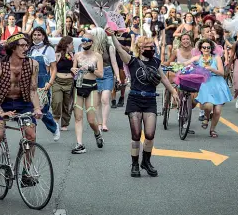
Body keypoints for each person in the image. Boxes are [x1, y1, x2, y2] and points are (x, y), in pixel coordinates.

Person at [106, 28, 179, 177]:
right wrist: (113, 36)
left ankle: (146, 161)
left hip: (150, 100)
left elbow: (164, 78)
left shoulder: (156, 61)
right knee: (136, 135)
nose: (152, 49)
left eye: (153, 47)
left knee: (150, 134)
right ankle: (134, 165)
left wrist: (173, 91)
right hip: (135, 99)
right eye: (148, 47)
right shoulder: (132, 61)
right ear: (140, 48)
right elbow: (119, 50)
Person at [0, 33, 42, 182]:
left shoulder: (33, 64)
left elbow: (33, 90)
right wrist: (1, 112)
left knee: (31, 136)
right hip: (2, 103)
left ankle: (25, 173)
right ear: (13, 48)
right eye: (22, 45)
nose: (26, 48)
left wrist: (37, 108)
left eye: (26, 45)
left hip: (23, 104)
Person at [184, 39, 232, 138]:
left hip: (218, 84)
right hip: (205, 84)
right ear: (201, 49)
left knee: (217, 110)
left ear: (211, 49)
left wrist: (212, 69)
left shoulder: (217, 58)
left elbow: (222, 73)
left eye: (208, 47)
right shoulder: (198, 58)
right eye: (204, 47)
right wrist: (178, 66)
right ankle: (206, 116)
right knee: (208, 106)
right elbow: (186, 63)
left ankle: (212, 129)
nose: (206, 49)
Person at [70, 33, 104, 154]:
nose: (84, 42)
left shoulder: (97, 56)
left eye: (86, 40)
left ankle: (97, 133)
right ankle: (79, 144)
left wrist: (90, 69)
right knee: (78, 117)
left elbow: (101, 74)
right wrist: (73, 70)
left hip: (91, 87)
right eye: (82, 40)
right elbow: (73, 71)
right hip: (79, 86)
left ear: (91, 42)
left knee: (91, 119)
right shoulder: (77, 55)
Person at [28, 27, 61, 141]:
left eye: (39, 34)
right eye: (34, 34)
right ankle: (31, 135)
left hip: (43, 83)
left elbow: (54, 68)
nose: (36, 36)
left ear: (43, 36)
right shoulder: (30, 50)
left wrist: (50, 83)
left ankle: (54, 127)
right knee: (30, 110)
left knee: (43, 111)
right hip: (30, 83)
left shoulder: (49, 49)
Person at [91, 27, 120, 132]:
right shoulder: (90, 48)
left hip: (107, 73)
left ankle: (104, 123)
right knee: (97, 101)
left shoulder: (109, 47)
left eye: (93, 35)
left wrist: (118, 76)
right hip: (95, 73)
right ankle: (99, 123)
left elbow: (114, 62)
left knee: (105, 99)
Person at [52, 36, 74, 131]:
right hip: (58, 81)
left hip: (69, 82)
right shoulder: (57, 54)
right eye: (72, 43)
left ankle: (65, 123)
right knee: (57, 101)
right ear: (67, 44)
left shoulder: (73, 55)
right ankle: (56, 119)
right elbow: (52, 68)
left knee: (67, 104)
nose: (73, 45)